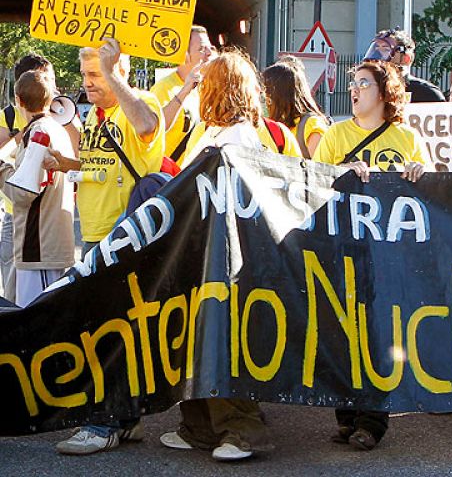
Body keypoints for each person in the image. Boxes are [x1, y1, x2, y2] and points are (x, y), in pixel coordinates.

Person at [161, 50, 292, 462]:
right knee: (197, 342)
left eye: (205, 83)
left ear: (219, 88)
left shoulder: (237, 136)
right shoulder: (214, 131)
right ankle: (198, 425)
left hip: (226, 259)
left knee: (221, 342)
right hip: (200, 255)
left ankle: (243, 429)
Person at [52, 38, 164, 455]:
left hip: (126, 237)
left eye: (95, 74)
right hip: (97, 235)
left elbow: (148, 128)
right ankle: (126, 417)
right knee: (117, 330)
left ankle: (103, 424)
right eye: (85, 75)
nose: (89, 83)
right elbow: (101, 165)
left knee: (107, 332)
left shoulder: (138, 102)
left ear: (121, 69)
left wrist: (114, 76)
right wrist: (66, 164)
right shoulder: (96, 117)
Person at [313, 60, 430, 450]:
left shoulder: (408, 138)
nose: (354, 90)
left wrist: (419, 172)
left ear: (383, 93)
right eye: (353, 83)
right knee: (343, 332)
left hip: (386, 255)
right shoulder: (335, 135)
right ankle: (346, 415)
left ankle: (372, 421)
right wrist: (342, 172)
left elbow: (431, 194)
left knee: (378, 334)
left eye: (363, 83)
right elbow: (312, 184)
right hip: (343, 249)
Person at [0, 70, 75, 307]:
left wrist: (2, 170)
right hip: (47, 244)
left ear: (18, 100)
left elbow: (23, 194)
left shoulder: (38, 132)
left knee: (37, 323)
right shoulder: (56, 128)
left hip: (39, 247)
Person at [150, 25, 215, 164]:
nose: (209, 53)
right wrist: (185, 91)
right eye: (202, 49)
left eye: (210, 47)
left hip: (191, 178)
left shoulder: (204, 89)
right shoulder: (164, 88)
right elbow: (153, 129)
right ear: (184, 56)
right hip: (170, 180)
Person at [261, 57, 329, 159]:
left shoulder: (311, 124)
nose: (262, 99)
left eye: (264, 92)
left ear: (277, 95)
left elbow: (321, 169)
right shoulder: (269, 128)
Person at [363, 29, 445, 103]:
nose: (377, 58)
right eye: (376, 50)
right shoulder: (367, 90)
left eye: (386, 50)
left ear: (406, 59)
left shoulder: (427, 94)